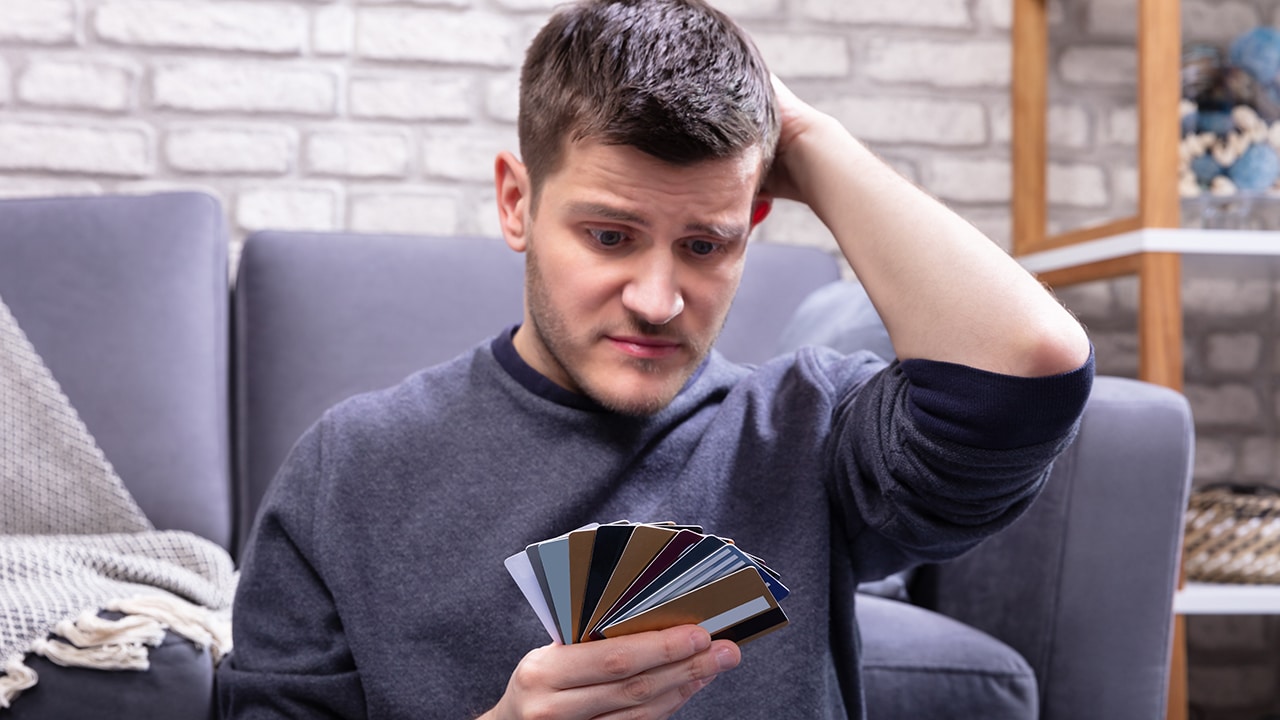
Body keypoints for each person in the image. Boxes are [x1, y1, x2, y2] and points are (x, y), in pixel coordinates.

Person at [217, 0, 1094, 717]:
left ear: (754, 227)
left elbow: (1031, 361)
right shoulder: (353, 466)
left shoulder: (808, 431)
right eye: (610, 235)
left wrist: (811, 142)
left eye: (705, 245)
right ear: (517, 203)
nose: (657, 298)